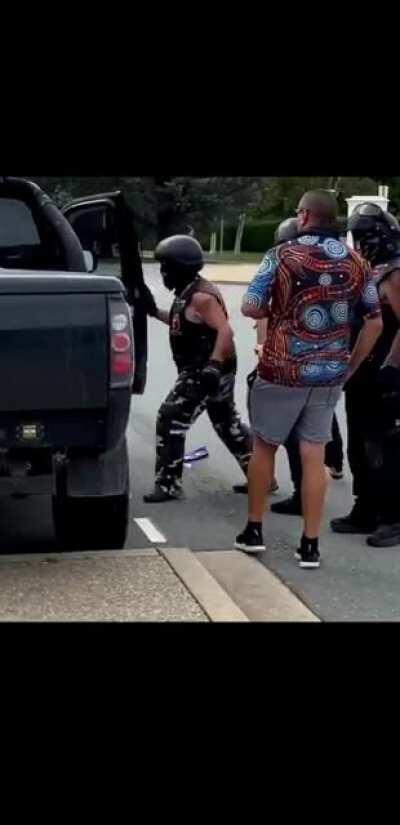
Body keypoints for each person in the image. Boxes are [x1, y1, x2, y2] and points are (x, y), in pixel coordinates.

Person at [235, 190, 383, 569]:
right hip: (329, 371)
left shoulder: (281, 255)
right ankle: (310, 545)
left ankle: (254, 531)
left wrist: (280, 312)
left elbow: (250, 305)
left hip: (282, 367)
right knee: (313, 453)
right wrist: (350, 365)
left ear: (303, 216)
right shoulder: (357, 261)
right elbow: (375, 321)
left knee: (264, 446)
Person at [142, 235, 252, 502]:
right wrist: (153, 311)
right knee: (225, 420)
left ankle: (168, 484)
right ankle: (262, 475)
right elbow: (183, 322)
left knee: (170, 417)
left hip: (206, 367)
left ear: (178, 267)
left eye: (166, 267)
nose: (163, 273)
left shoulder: (201, 296)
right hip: (212, 365)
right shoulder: (188, 292)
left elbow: (225, 330)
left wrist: (213, 367)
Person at [331, 203, 400, 547]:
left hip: (387, 374)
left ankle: (393, 516)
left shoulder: (395, 273)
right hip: (363, 372)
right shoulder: (372, 271)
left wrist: (393, 368)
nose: (360, 244)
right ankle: (366, 508)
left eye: (365, 237)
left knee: (385, 447)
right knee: (359, 445)